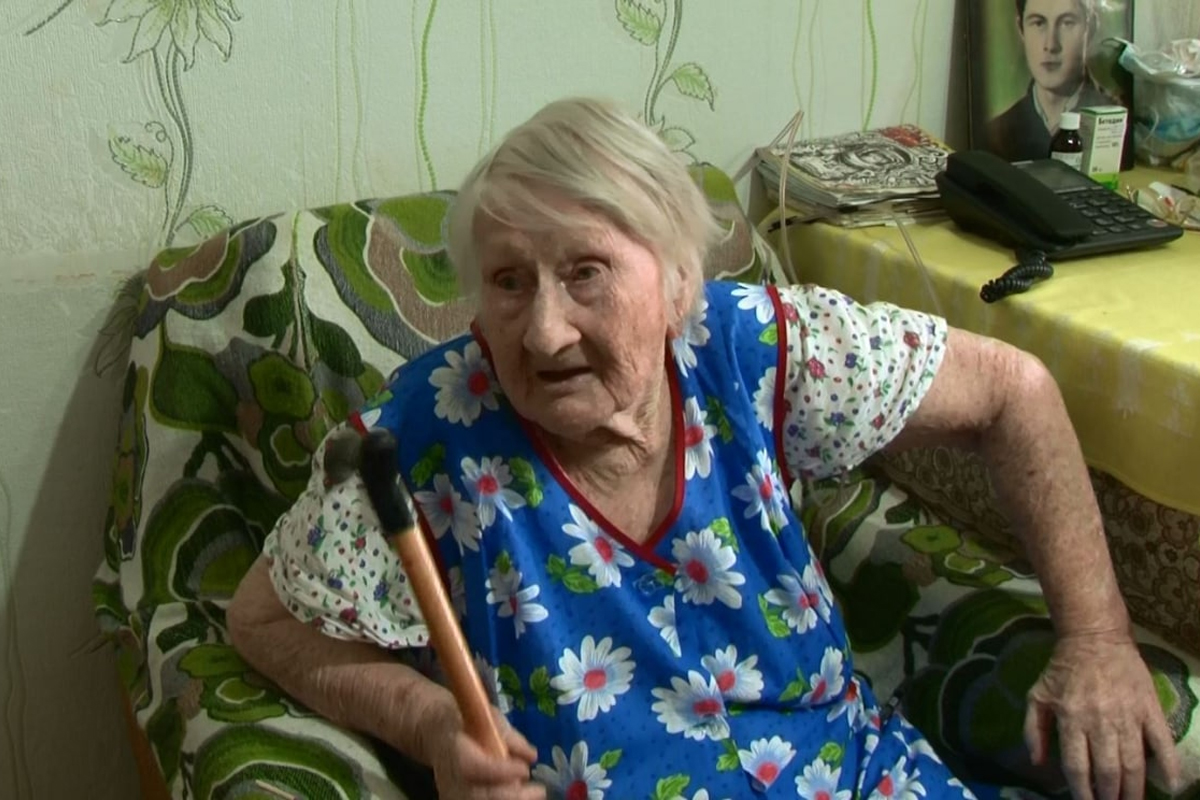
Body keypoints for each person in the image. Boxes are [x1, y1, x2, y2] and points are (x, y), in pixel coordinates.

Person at [228, 97, 1181, 799]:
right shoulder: (429, 432)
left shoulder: (751, 346)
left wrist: (1097, 639)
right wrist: (433, 724)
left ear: (678, 280)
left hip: (854, 778)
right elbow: (261, 621)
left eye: (586, 271)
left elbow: (1015, 391)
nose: (545, 331)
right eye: (509, 282)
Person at [986, 0, 1117, 162]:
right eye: (1038, 23)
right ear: (1021, 29)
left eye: (1067, 23)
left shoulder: (1117, 122)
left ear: (1090, 28)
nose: (1051, 45)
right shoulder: (997, 135)